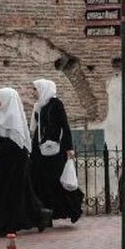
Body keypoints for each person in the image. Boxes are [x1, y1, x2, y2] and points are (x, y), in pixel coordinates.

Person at [0, 87, 52, 235]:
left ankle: (9, 225)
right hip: (3, 160)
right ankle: (40, 215)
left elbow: (15, 143)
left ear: (7, 100)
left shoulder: (13, 116)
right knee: (18, 193)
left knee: (13, 193)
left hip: (16, 161)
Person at [28, 79, 84, 222]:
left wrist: (70, 147)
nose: (33, 93)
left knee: (57, 180)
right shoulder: (38, 106)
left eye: (35, 89)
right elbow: (34, 128)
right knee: (41, 181)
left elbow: (65, 126)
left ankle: (73, 208)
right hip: (39, 149)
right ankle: (46, 215)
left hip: (55, 150)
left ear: (43, 89)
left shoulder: (56, 104)